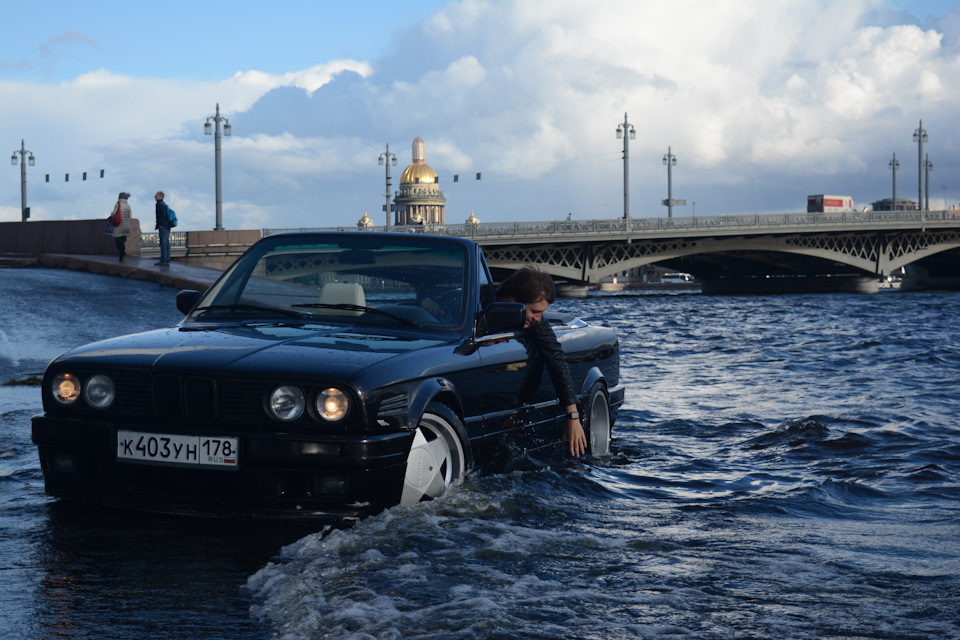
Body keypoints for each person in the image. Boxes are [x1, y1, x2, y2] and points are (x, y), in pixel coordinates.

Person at [497, 266, 587, 457]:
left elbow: (555, 357)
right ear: (515, 303)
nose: (539, 318)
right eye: (535, 312)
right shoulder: (476, 305)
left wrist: (573, 417)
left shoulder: (534, 321)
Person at [111, 192, 133, 262]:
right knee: (122, 241)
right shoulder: (128, 206)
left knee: (118, 242)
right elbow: (130, 217)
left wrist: (111, 215)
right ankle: (122, 255)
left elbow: (114, 213)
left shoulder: (118, 204)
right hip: (126, 226)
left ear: (120, 197)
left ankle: (122, 255)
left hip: (119, 225)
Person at [154, 191, 171, 266]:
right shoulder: (164, 204)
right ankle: (167, 260)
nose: (155, 196)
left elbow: (162, 215)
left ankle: (163, 260)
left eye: (156, 195)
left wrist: (160, 225)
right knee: (166, 243)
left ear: (160, 196)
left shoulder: (160, 205)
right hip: (167, 226)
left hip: (163, 226)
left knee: (163, 243)